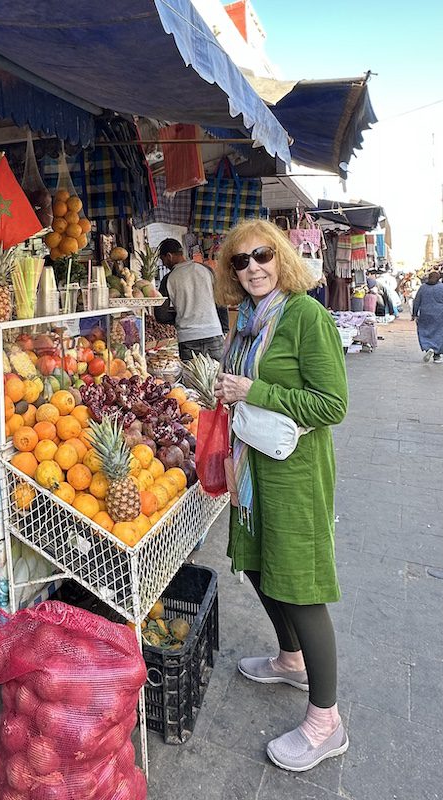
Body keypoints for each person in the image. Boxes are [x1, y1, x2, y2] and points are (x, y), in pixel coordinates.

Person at [213, 219, 349, 772]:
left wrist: (255, 390)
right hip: (252, 468)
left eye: (262, 256)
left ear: (282, 256)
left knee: (298, 584)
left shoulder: (305, 316)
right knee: (263, 571)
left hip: (293, 475)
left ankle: (326, 722)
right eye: (240, 262)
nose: (253, 269)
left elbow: (332, 405)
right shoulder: (244, 322)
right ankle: (291, 659)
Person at [154, 238, 225, 360]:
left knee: (191, 378)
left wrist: (179, 316)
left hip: (188, 338)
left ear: (169, 256)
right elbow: (221, 301)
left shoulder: (169, 278)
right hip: (213, 333)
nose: (164, 263)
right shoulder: (206, 270)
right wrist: (225, 329)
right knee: (218, 377)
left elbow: (161, 314)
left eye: (163, 259)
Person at [412, 270, 443, 362]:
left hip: (425, 314)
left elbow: (416, 301)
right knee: (439, 333)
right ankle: (437, 355)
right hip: (440, 314)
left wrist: (414, 314)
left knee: (424, 331)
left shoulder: (423, 288)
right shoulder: (442, 287)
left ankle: (428, 347)